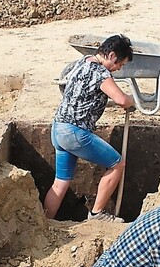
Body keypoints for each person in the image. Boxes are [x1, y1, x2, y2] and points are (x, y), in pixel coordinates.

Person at [43, 34, 136, 222]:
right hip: (74, 132)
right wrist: (132, 101)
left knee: (60, 183)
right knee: (118, 164)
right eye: (121, 64)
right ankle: (97, 213)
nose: (119, 69)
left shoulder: (83, 62)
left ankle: (44, 223)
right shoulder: (100, 73)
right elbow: (121, 100)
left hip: (58, 128)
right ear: (111, 55)